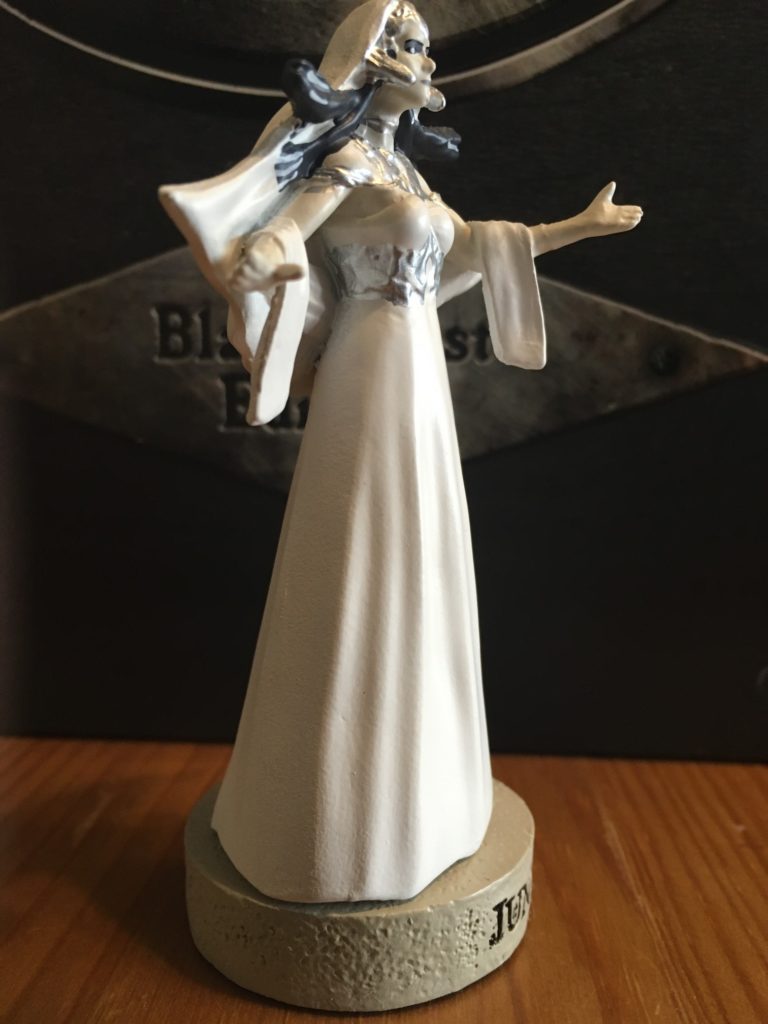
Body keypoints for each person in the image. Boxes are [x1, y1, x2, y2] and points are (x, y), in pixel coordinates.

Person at [160, 0, 642, 904]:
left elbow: (474, 246)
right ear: (376, 61)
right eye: (415, 47)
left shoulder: (406, 174)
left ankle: (427, 803)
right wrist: (264, 256)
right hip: (369, 367)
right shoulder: (348, 163)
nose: (430, 64)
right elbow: (290, 226)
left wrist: (577, 228)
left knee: (421, 548)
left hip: (416, 370)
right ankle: (336, 819)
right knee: (361, 541)